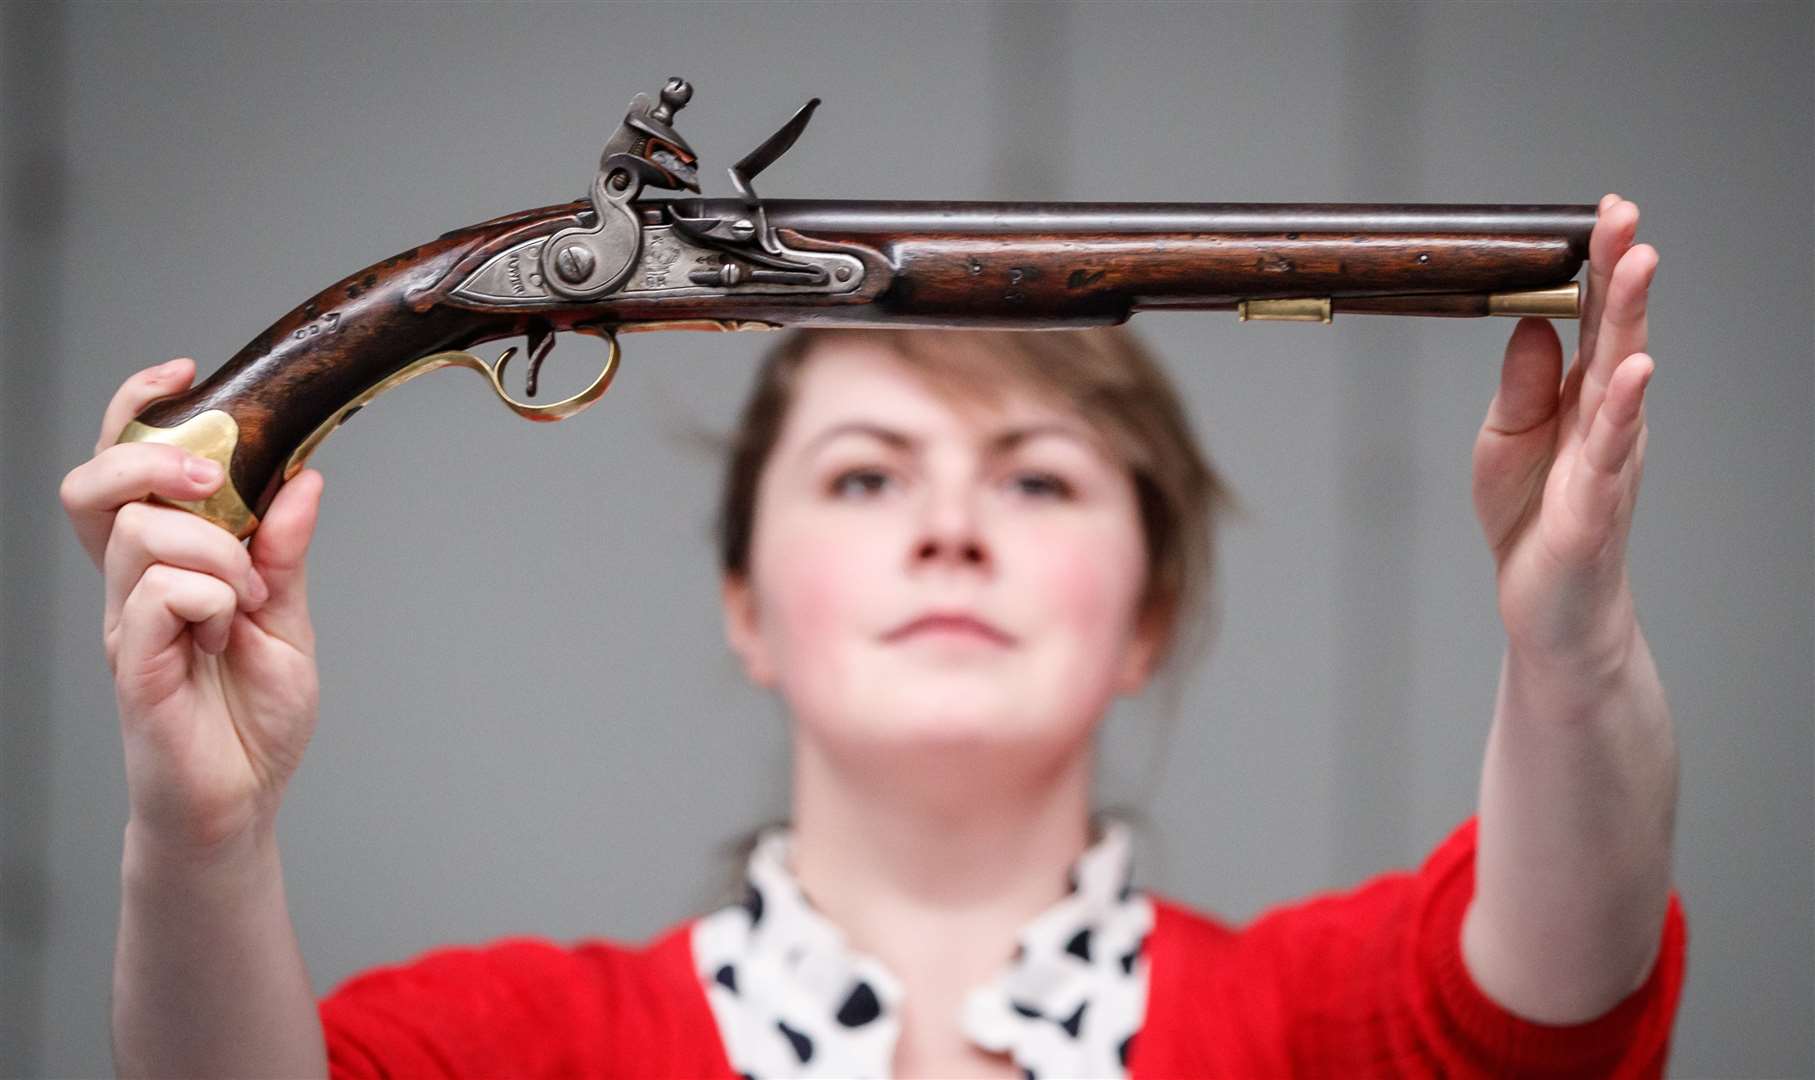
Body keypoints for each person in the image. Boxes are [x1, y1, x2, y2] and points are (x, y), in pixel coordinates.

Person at [62, 194, 1684, 1078]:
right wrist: (202, 837)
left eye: (1038, 479)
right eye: (864, 473)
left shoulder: (1325, 1022)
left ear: (1153, 609)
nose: (949, 525)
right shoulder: (504, 1047)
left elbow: (1557, 988)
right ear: (746, 604)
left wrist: (1573, 642)